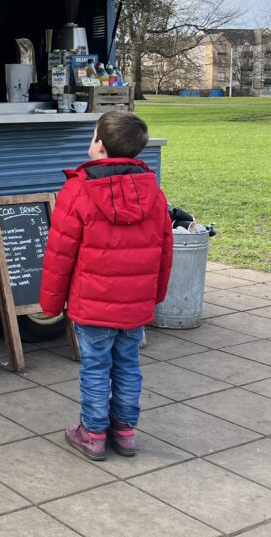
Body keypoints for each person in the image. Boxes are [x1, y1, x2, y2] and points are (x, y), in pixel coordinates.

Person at [39, 109, 173, 461]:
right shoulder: (154, 193)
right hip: (135, 305)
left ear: (99, 145)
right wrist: (156, 294)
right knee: (128, 365)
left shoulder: (77, 190)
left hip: (92, 304)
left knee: (96, 368)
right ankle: (125, 432)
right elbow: (164, 251)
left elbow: (59, 253)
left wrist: (51, 305)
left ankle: (93, 432)